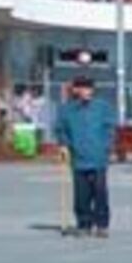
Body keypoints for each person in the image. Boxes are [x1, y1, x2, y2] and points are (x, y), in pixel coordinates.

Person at [52, 76, 117, 238]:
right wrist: (63, 145)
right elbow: (60, 129)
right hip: (78, 158)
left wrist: (106, 146)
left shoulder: (102, 107)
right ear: (75, 90)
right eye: (83, 88)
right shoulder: (67, 110)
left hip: (98, 158)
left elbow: (110, 127)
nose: (87, 91)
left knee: (100, 192)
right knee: (81, 194)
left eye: (89, 88)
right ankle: (84, 223)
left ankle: (102, 224)